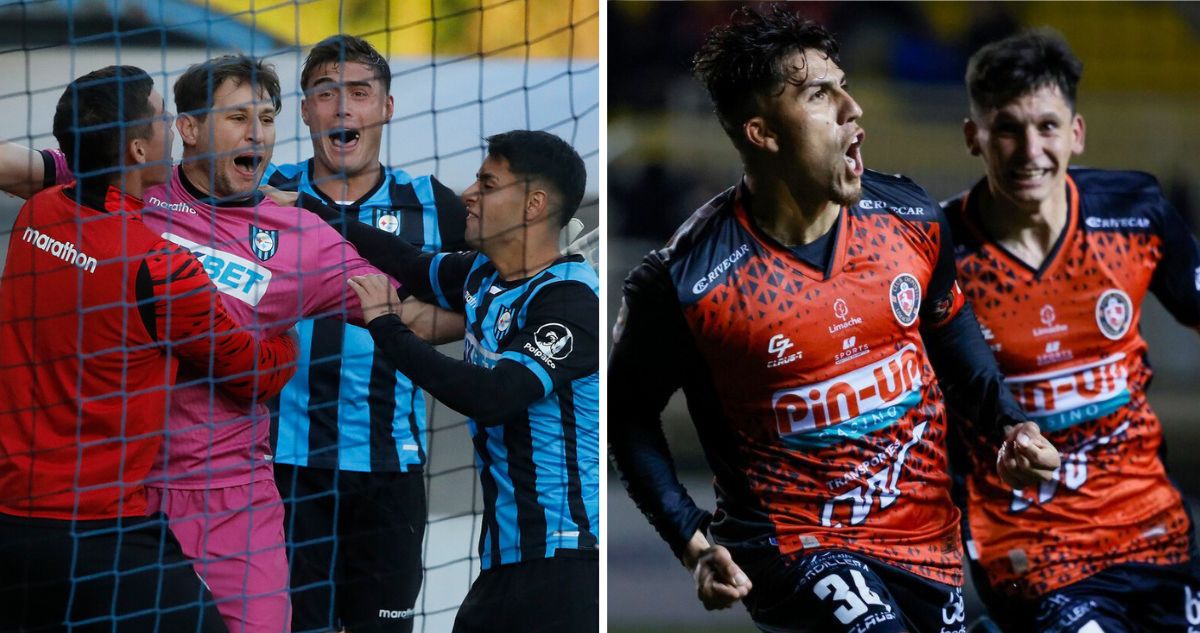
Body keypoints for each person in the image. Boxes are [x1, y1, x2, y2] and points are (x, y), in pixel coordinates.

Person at [607, 6, 1061, 633]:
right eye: (821, 94)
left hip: (926, 540)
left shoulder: (910, 218)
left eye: (844, 84)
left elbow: (950, 326)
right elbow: (625, 416)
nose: (854, 108)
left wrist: (1008, 423)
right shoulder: (686, 281)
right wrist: (692, 541)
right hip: (793, 549)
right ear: (762, 133)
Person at [3, 55, 428, 633]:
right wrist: (282, 353)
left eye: (268, 117)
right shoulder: (129, 191)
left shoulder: (304, 236)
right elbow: (31, 170)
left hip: (230, 494)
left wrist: (506, 302)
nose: (257, 132)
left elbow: (403, 312)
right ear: (187, 129)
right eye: (236, 117)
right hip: (125, 493)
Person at [0, 65, 297, 632]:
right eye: (163, 118)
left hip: (11, 524)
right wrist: (286, 336)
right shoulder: (160, 267)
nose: (174, 128)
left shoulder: (36, 215)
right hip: (99, 533)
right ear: (139, 149)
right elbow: (255, 375)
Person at [943, 30, 1200, 632]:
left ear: (1077, 132)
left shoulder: (1135, 213)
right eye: (1007, 127)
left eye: (1048, 126)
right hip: (1032, 545)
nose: (1029, 150)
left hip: (1153, 529)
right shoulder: (936, 252)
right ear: (973, 137)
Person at [302, 129, 598, 633]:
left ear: (533, 204)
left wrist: (386, 327)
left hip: (567, 560)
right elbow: (406, 262)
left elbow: (492, 396)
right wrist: (309, 210)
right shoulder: (484, 275)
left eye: (487, 183)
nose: (468, 195)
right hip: (508, 562)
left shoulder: (568, 302)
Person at [261, 34, 466, 633]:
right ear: (304, 110)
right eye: (326, 94)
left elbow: (485, 299)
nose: (343, 108)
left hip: (390, 470)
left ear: (387, 107)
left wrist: (412, 323)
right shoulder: (259, 194)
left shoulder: (434, 204)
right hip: (281, 468)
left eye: (359, 93)